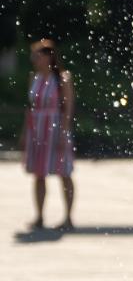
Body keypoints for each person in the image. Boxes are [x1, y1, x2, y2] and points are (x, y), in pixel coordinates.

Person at [20, 39, 76, 231]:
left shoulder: (62, 79)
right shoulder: (34, 78)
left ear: (48, 56)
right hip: (37, 130)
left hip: (56, 129)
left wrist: (64, 133)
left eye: (38, 55)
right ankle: (39, 216)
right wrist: (24, 134)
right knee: (39, 174)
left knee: (64, 173)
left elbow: (68, 109)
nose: (34, 59)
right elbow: (30, 108)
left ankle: (68, 217)